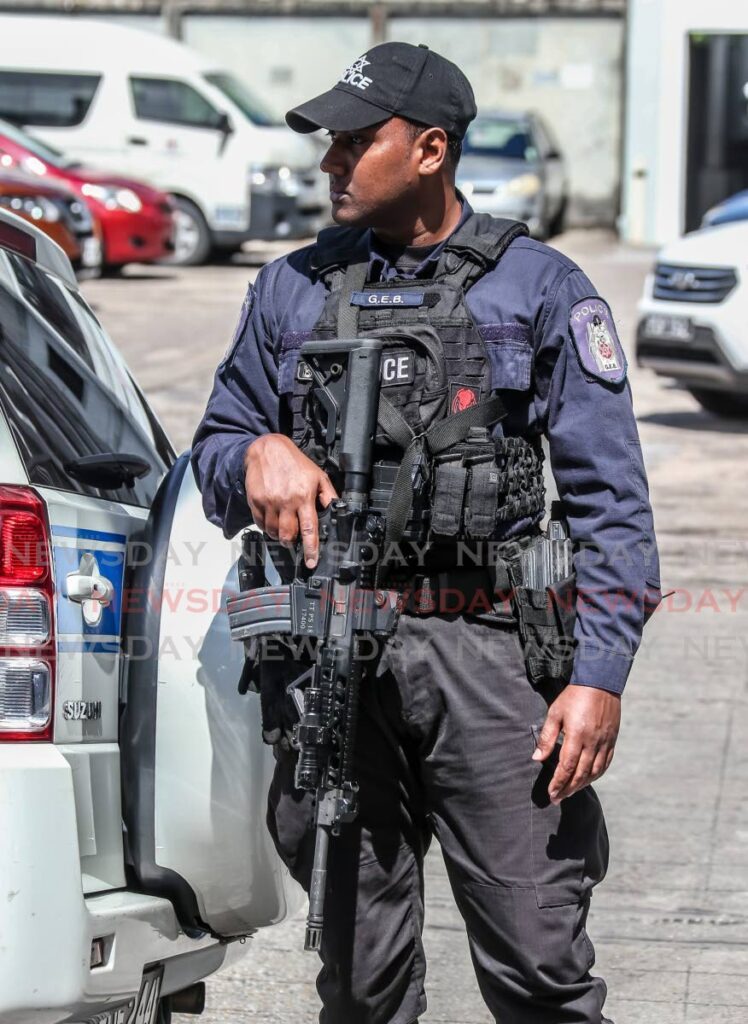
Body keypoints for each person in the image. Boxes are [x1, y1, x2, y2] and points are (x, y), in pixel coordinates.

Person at [192, 41, 661, 1024]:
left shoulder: (537, 288)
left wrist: (599, 673)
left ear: (431, 149)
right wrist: (256, 454)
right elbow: (216, 448)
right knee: (360, 987)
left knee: (540, 973)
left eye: (355, 141)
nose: (330, 163)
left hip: (492, 660)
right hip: (329, 659)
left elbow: (609, 503)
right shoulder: (287, 289)